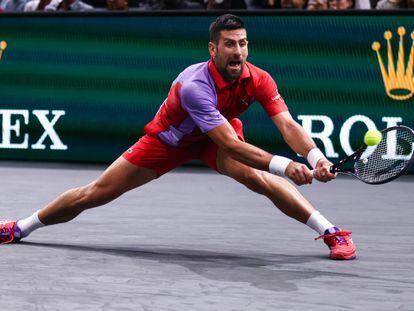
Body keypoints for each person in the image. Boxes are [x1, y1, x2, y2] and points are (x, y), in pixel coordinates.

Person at [0, 14, 356, 260]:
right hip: (169, 143)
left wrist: (314, 158)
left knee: (257, 178)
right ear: (212, 49)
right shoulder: (194, 86)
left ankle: (332, 232)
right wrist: (285, 165)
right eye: (230, 44)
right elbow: (231, 144)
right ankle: (20, 228)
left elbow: (287, 124)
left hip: (216, 137)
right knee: (96, 193)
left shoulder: (258, 77)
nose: (239, 52)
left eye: (243, 44)